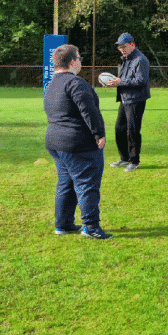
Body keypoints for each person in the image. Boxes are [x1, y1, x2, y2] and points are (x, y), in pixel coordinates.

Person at [43, 44, 111, 240]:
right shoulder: (76, 83)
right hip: (77, 143)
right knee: (87, 183)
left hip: (56, 141)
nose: (81, 61)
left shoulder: (52, 85)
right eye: (79, 58)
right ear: (73, 61)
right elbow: (89, 111)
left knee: (66, 183)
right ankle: (91, 226)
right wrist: (99, 133)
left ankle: (63, 224)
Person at [103, 32, 151, 172]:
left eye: (124, 46)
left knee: (133, 131)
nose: (121, 49)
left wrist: (121, 82)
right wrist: (114, 82)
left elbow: (141, 81)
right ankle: (124, 159)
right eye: (119, 47)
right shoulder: (127, 58)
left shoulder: (140, 60)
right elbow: (124, 79)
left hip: (136, 100)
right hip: (125, 99)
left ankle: (134, 161)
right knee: (120, 129)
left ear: (132, 45)